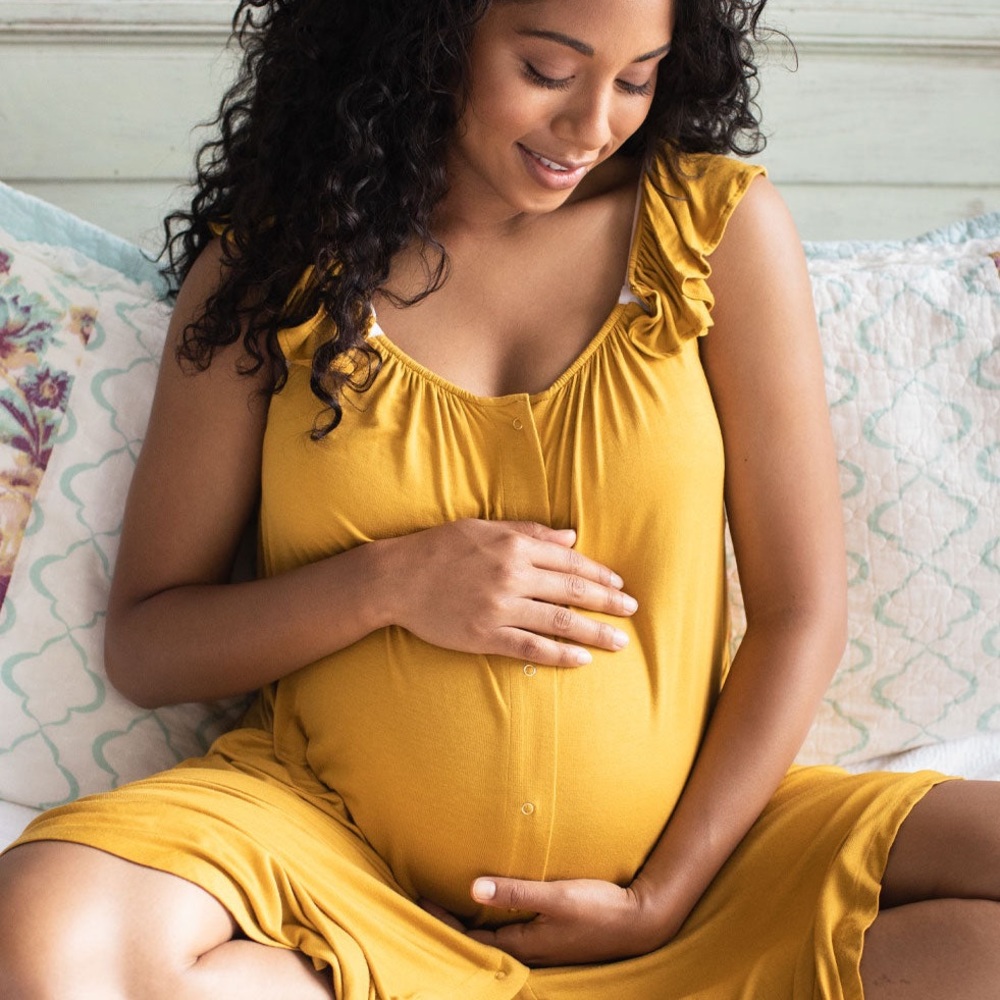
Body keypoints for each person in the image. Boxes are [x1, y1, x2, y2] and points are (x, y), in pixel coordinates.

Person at [2, 0, 999, 996]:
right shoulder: (277, 266)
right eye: (548, 71)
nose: (592, 124)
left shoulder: (715, 230)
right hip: (339, 878)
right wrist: (390, 582)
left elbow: (800, 611)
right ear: (424, 37)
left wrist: (660, 893)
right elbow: (148, 642)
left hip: (703, 881)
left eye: (635, 79)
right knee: (45, 924)